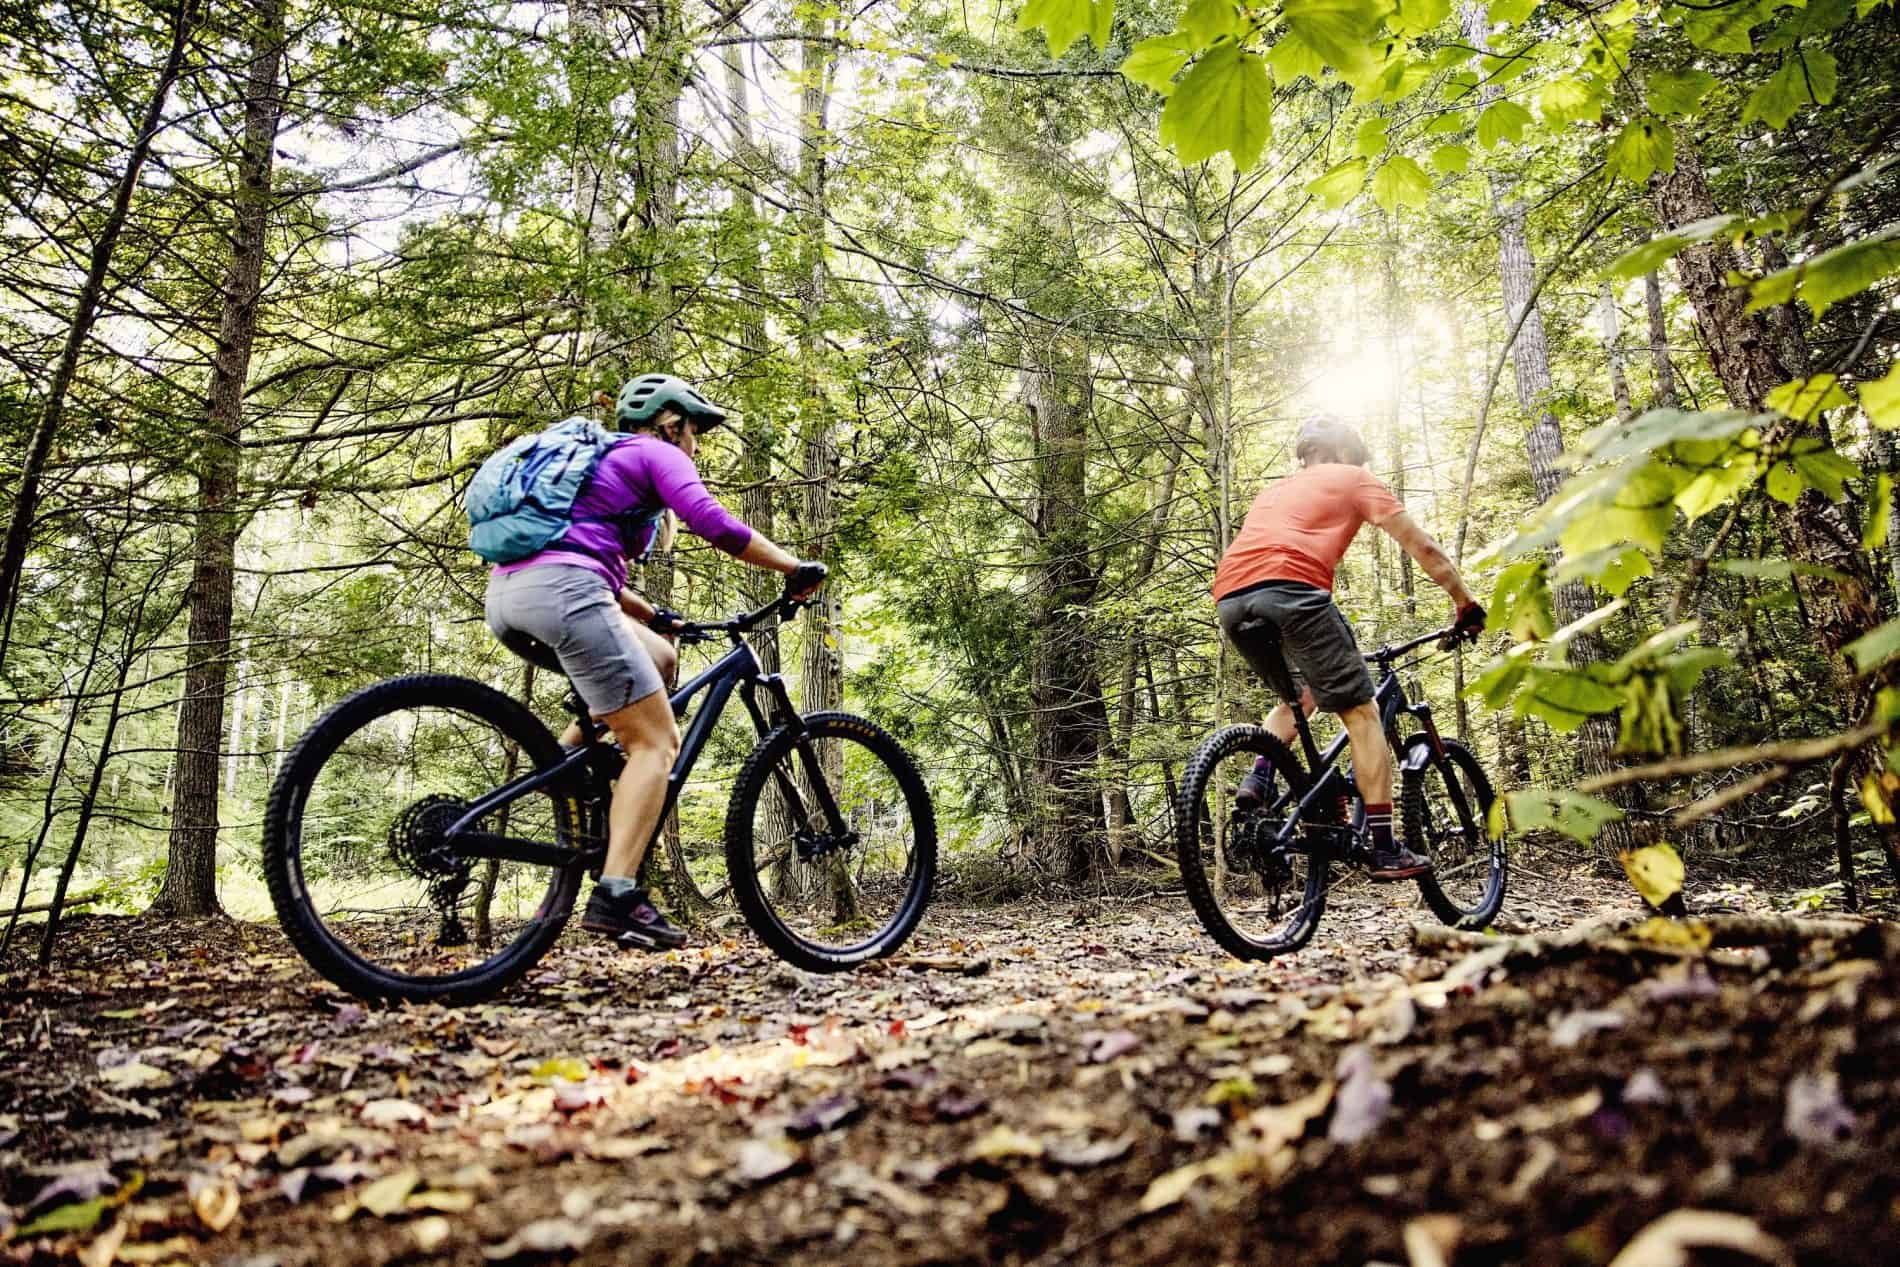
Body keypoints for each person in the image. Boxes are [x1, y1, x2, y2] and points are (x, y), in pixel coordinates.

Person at [484, 374, 822, 950]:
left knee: (659, 657)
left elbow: (580, 556)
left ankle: (562, 765)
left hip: (511, 598)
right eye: (695, 431)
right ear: (672, 423)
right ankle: (617, 893)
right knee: (655, 744)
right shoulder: (652, 452)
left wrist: (653, 613)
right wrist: (793, 569)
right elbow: (713, 523)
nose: (696, 446)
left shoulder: (602, 463)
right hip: (569, 595)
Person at [1211, 416, 1485, 879]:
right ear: (1343, 453)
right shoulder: (1355, 478)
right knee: (1362, 713)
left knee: (1299, 698)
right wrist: (1465, 602)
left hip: (1232, 599)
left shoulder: (1273, 491)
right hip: (1293, 591)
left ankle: (1258, 780)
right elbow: (1422, 546)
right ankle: (1383, 846)